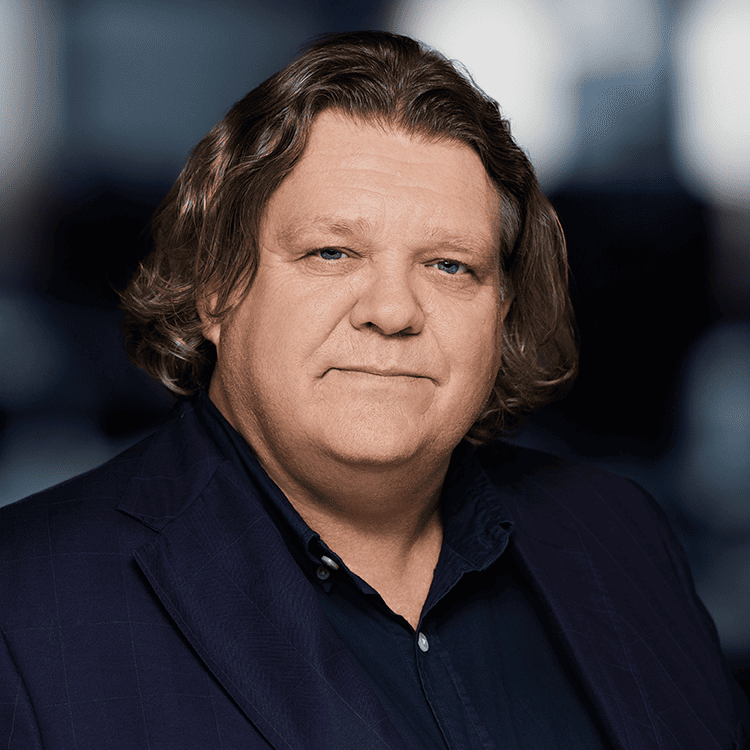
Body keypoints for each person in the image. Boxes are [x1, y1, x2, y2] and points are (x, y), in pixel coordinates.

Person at [0, 30, 745, 750]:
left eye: (450, 266)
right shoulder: (27, 602)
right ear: (217, 290)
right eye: (332, 252)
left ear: (502, 312)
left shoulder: (620, 535)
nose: (392, 311)